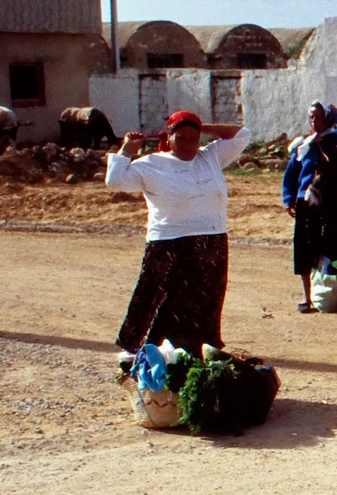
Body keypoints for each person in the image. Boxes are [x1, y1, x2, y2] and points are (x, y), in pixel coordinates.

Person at [107, 111, 251, 357]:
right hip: (168, 242)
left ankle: (194, 352)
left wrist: (199, 125)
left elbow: (242, 134)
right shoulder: (151, 164)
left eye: (193, 139)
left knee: (203, 302)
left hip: (211, 241)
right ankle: (139, 352)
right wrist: (127, 150)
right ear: (169, 138)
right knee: (157, 299)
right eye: (180, 137)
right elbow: (115, 180)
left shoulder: (211, 157)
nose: (186, 144)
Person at [283, 102, 337, 312]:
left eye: (320, 116)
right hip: (307, 203)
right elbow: (291, 175)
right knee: (305, 249)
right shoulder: (304, 146)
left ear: (327, 118)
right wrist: (289, 200)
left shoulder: (334, 141)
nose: (315, 121)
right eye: (312, 117)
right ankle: (308, 298)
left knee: (335, 249)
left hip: (332, 202)